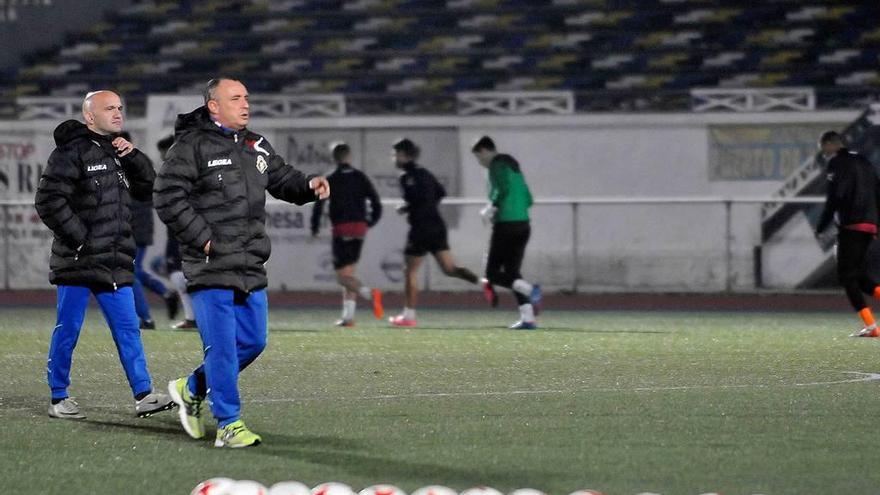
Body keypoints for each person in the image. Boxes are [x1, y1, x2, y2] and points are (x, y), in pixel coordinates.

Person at [154, 78, 329, 448]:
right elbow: (168, 196)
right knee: (221, 346)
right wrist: (203, 238)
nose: (245, 104)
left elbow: (282, 178)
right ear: (213, 106)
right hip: (209, 263)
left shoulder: (256, 144)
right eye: (235, 98)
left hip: (249, 261)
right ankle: (229, 424)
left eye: (247, 97)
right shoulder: (191, 145)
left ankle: (190, 387)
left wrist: (308, 185)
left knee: (252, 341)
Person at [34, 90, 174, 420]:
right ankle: (59, 397)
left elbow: (148, 189)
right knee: (68, 329)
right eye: (108, 108)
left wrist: (135, 156)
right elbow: (48, 201)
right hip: (79, 260)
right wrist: (80, 241)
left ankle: (143, 394)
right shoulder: (69, 153)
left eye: (120, 108)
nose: (117, 113)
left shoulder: (118, 151)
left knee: (129, 329)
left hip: (114, 261)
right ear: (89, 116)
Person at [389, 137, 479, 327]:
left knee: (410, 272)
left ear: (405, 155)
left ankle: (408, 316)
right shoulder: (426, 173)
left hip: (420, 229)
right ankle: (483, 282)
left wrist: (405, 207)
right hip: (437, 226)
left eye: (395, 154)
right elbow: (441, 193)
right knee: (450, 269)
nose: (393, 158)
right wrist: (426, 207)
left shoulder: (406, 177)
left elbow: (415, 200)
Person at [471, 136, 543, 329]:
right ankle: (528, 318)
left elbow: (501, 188)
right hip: (523, 225)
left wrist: (491, 206)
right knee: (513, 274)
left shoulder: (496, 165)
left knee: (492, 274)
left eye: (479, 158)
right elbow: (529, 199)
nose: (480, 162)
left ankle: (531, 290)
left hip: (506, 225)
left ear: (484, 151)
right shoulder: (514, 167)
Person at [310, 142, 384, 326]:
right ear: (349, 157)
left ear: (334, 158)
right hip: (359, 229)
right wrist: (370, 221)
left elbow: (319, 205)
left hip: (342, 228)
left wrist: (315, 227)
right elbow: (376, 201)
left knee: (341, 277)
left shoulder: (330, 178)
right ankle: (348, 317)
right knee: (349, 273)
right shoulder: (360, 177)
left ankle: (368, 293)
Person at [815, 130, 880, 337]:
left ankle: (871, 327)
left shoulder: (836, 164)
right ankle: (870, 326)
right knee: (861, 278)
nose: (824, 153)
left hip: (851, 225)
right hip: (869, 225)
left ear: (829, 144)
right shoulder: (864, 161)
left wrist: (821, 226)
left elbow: (835, 197)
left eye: (823, 149)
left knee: (847, 277)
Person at [123, 131, 179, 330]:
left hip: (133, 225)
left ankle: (145, 318)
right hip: (140, 225)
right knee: (133, 271)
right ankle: (166, 293)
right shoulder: (140, 160)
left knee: (130, 272)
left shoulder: (129, 162)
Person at [156, 134, 197, 330]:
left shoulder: (186, 169)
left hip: (185, 228)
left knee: (180, 275)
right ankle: (193, 317)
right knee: (178, 274)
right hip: (176, 228)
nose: (163, 157)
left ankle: (194, 317)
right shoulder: (174, 169)